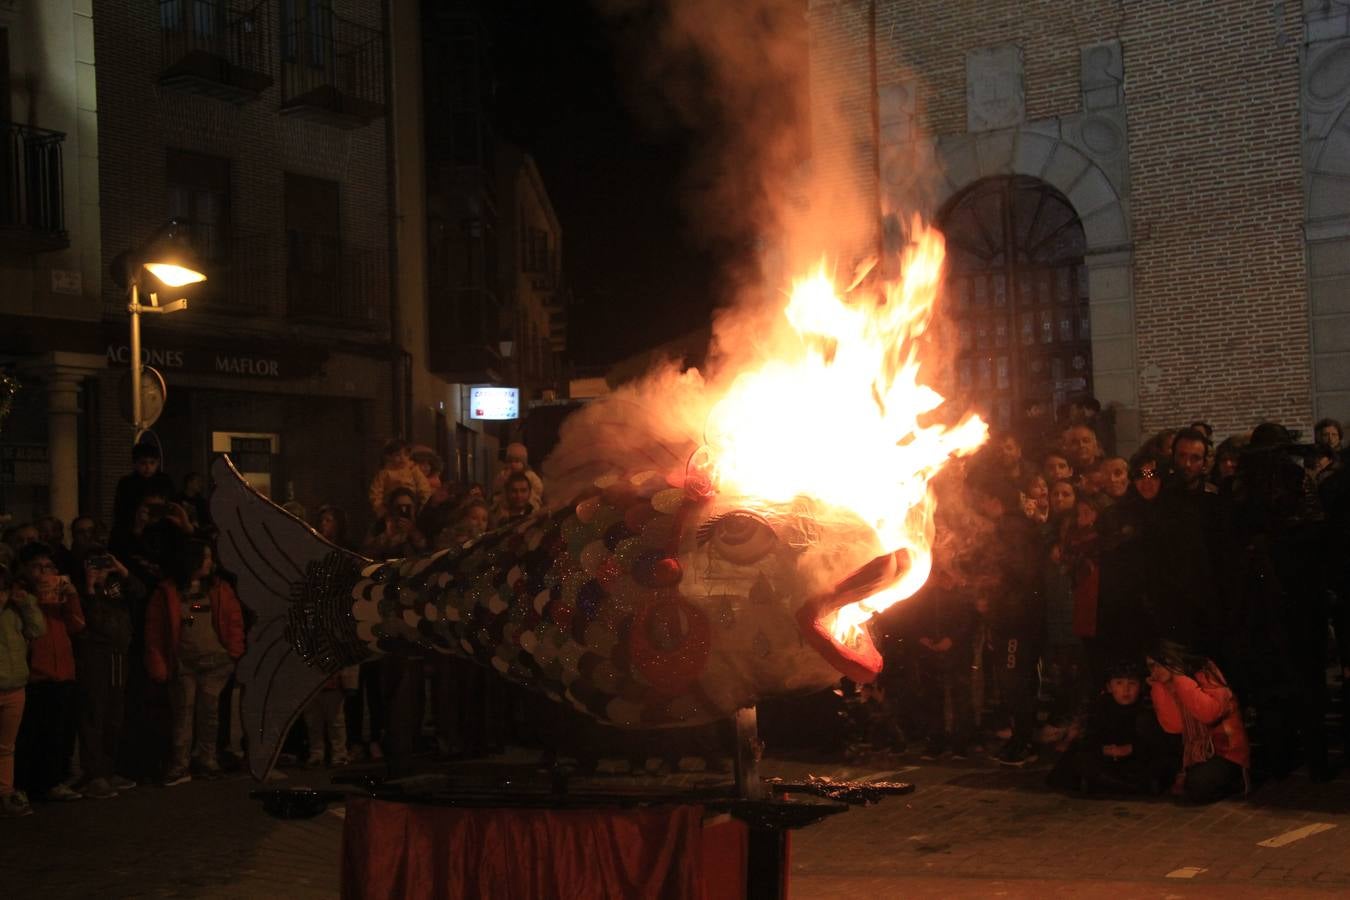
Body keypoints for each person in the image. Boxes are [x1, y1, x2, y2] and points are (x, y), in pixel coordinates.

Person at [144, 540, 245, 785]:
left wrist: (233, 650)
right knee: (184, 712)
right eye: (206, 557)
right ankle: (181, 764)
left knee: (209, 713)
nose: (211, 562)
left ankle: (206, 759)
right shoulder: (168, 591)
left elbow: (232, 619)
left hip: (216, 660)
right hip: (184, 663)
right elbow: (158, 629)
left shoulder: (218, 588)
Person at [14, 542, 85, 802]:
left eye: (49, 567)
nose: (44, 572)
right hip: (34, 675)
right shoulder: (20, 597)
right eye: (37, 567)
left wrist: (73, 596)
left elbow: (77, 627)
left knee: (59, 733)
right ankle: (23, 785)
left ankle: (53, 781)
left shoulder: (59, 599)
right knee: (30, 734)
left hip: (63, 672)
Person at [71, 546, 143, 800]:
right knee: (95, 712)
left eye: (103, 564)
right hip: (95, 657)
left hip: (119, 654)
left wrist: (122, 571)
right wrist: (90, 587)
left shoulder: (116, 586)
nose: (100, 570)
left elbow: (140, 593)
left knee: (115, 714)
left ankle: (108, 770)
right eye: (94, 564)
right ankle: (93, 775)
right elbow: (88, 619)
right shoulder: (79, 588)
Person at [1046, 661, 1171, 795]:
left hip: (1135, 761)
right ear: (1109, 687)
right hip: (1106, 759)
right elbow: (1089, 738)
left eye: (1132, 683)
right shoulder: (1101, 708)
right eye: (1119, 683)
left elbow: (1157, 742)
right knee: (1079, 758)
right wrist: (1104, 750)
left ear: (1140, 687)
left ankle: (1125, 786)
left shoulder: (1147, 710)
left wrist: (1131, 749)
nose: (1126, 689)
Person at [1147, 641, 1249, 803]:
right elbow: (1173, 726)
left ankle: (1236, 781)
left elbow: (1208, 714)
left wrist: (1179, 677)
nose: (1155, 670)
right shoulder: (1167, 684)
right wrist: (1159, 687)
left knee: (1198, 787)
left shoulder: (1205, 673)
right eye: (1151, 666)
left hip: (1225, 751)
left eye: (1159, 664)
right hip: (1200, 752)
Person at [0, 563, 45, 817]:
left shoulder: (14, 612)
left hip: (15, 685)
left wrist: (27, 603)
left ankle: (5, 793)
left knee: (6, 747)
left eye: (4, 590)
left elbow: (38, 629)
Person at [112, 441, 177, 543]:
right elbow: (121, 510)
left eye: (152, 463)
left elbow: (172, 504)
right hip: (134, 531)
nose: (148, 467)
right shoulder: (127, 483)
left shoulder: (165, 481)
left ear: (158, 463)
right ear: (135, 463)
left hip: (162, 531)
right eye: (143, 463)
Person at [368, 438, 432, 520]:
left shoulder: (413, 469)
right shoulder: (384, 473)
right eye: (398, 455)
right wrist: (380, 509)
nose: (402, 458)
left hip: (412, 505)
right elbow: (375, 493)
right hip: (391, 508)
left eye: (406, 454)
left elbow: (423, 486)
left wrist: (424, 504)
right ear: (389, 457)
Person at [363, 487, 428, 559]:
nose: (404, 510)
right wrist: (386, 536)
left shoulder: (422, 524)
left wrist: (413, 532)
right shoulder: (380, 526)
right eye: (399, 507)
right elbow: (365, 556)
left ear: (414, 508)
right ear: (392, 509)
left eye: (408, 507)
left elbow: (427, 554)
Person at [491, 442, 544, 510]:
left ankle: (531, 512)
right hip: (508, 502)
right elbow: (496, 487)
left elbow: (539, 487)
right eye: (510, 461)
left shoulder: (530, 475)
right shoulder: (504, 474)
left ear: (523, 464)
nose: (513, 464)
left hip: (527, 500)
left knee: (534, 501)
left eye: (517, 461)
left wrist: (531, 494)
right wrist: (503, 480)